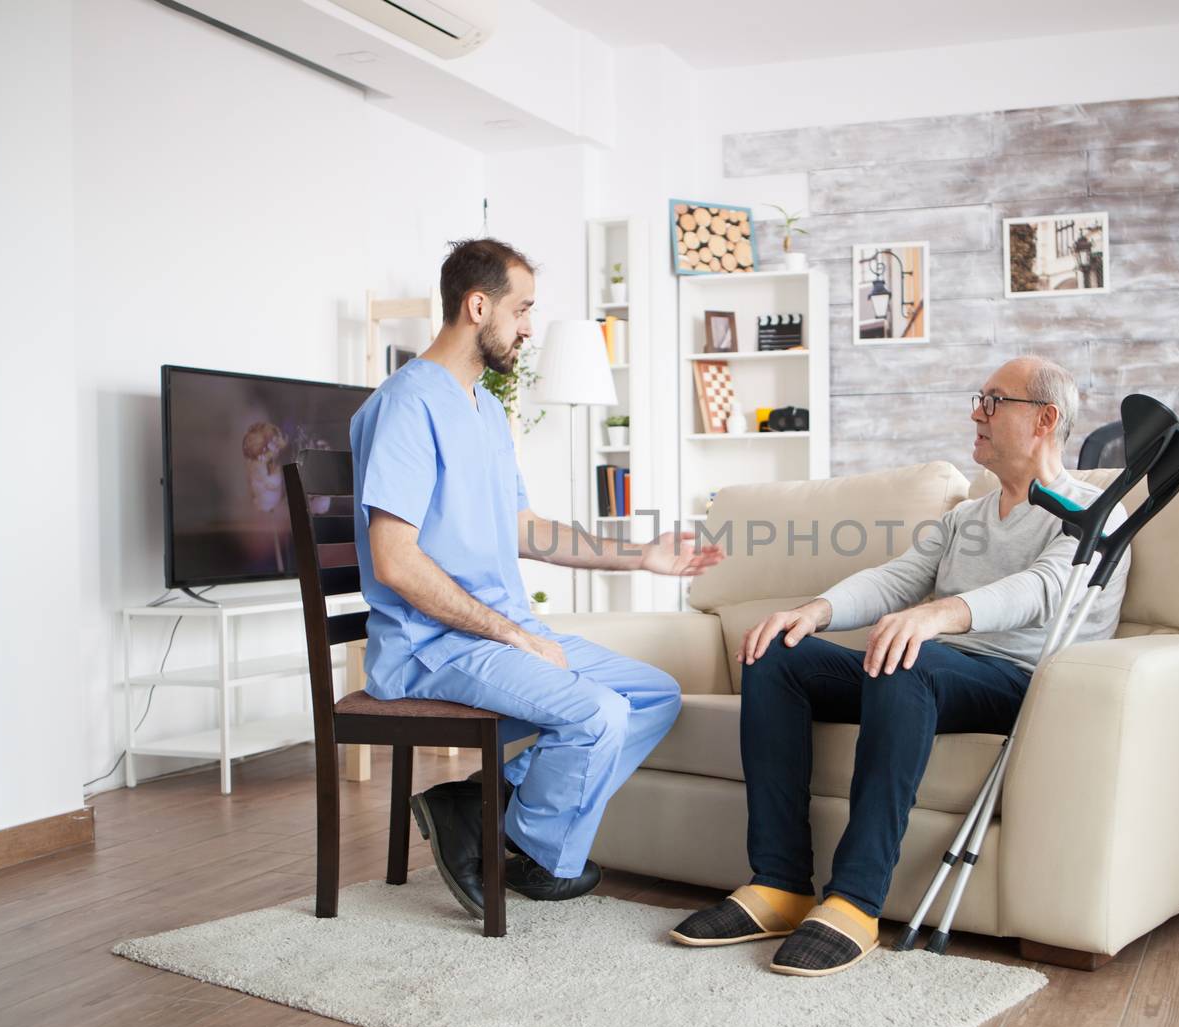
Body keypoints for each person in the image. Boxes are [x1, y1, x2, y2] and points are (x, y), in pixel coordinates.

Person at [670, 356, 1128, 977]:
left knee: (908, 655)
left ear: (1045, 419)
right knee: (775, 652)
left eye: (994, 401)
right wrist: (815, 611)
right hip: (926, 671)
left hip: (1018, 681)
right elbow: (896, 579)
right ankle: (779, 884)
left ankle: (856, 901)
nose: (976, 413)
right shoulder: (966, 517)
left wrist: (940, 616)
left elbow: (1046, 589)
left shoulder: (1095, 512)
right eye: (979, 398)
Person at [351, 238, 724, 918]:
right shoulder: (406, 406)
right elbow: (393, 559)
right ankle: (521, 842)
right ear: (477, 304)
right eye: (522, 310)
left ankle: (481, 804)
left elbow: (525, 528)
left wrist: (640, 554)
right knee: (598, 711)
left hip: (497, 633)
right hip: (431, 647)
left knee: (653, 694)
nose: (528, 327)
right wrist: (510, 634)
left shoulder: (487, 410)